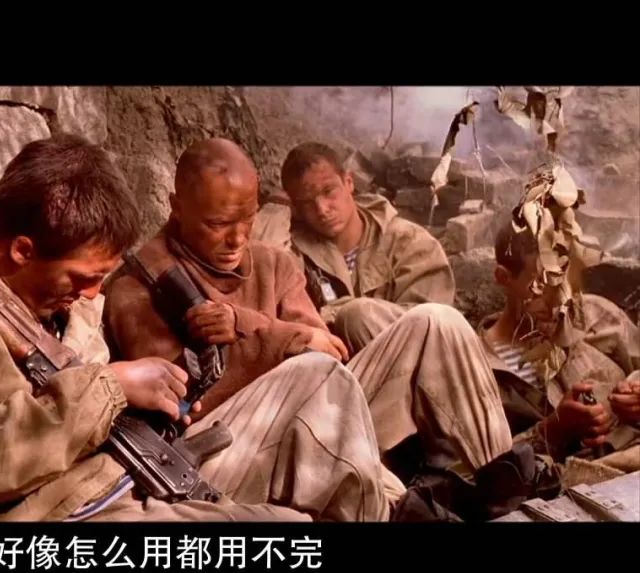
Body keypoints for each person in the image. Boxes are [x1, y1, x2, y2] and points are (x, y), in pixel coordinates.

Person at [0, 134, 390, 523]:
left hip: (122, 475)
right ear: (23, 250)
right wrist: (113, 385)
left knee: (319, 379)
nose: (94, 294)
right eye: (83, 278)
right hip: (58, 513)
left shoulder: (59, 307)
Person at [104, 138, 515, 511]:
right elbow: (185, 409)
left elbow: (329, 351)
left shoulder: (273, 262)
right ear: (177, 208)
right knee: (315, 376)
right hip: (228, 450)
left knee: (436, 321)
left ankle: (506, 483)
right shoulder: (140, 286)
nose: (238, 239)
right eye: (218, 224)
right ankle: (399, 508)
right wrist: (283, 342)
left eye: (248, 218)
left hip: (322, 417)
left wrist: (244, 326)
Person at [479, 225, 639, 473]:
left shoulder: (597, 315)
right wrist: (554, 430)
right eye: (541, 285)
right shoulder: (478, 368)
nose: (560, 302)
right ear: (504, 277)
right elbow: (478, 473)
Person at [279, 142, 455, 354]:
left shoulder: (411, 243)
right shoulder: (295, 252)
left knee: (357, 314)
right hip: (335, 369)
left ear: (349, 182)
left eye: (328, 191)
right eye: (307, 202)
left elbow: (432, 331)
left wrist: (337, 315)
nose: (322, 209)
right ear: (296, 208)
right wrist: (276, 208)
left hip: (408, 365)